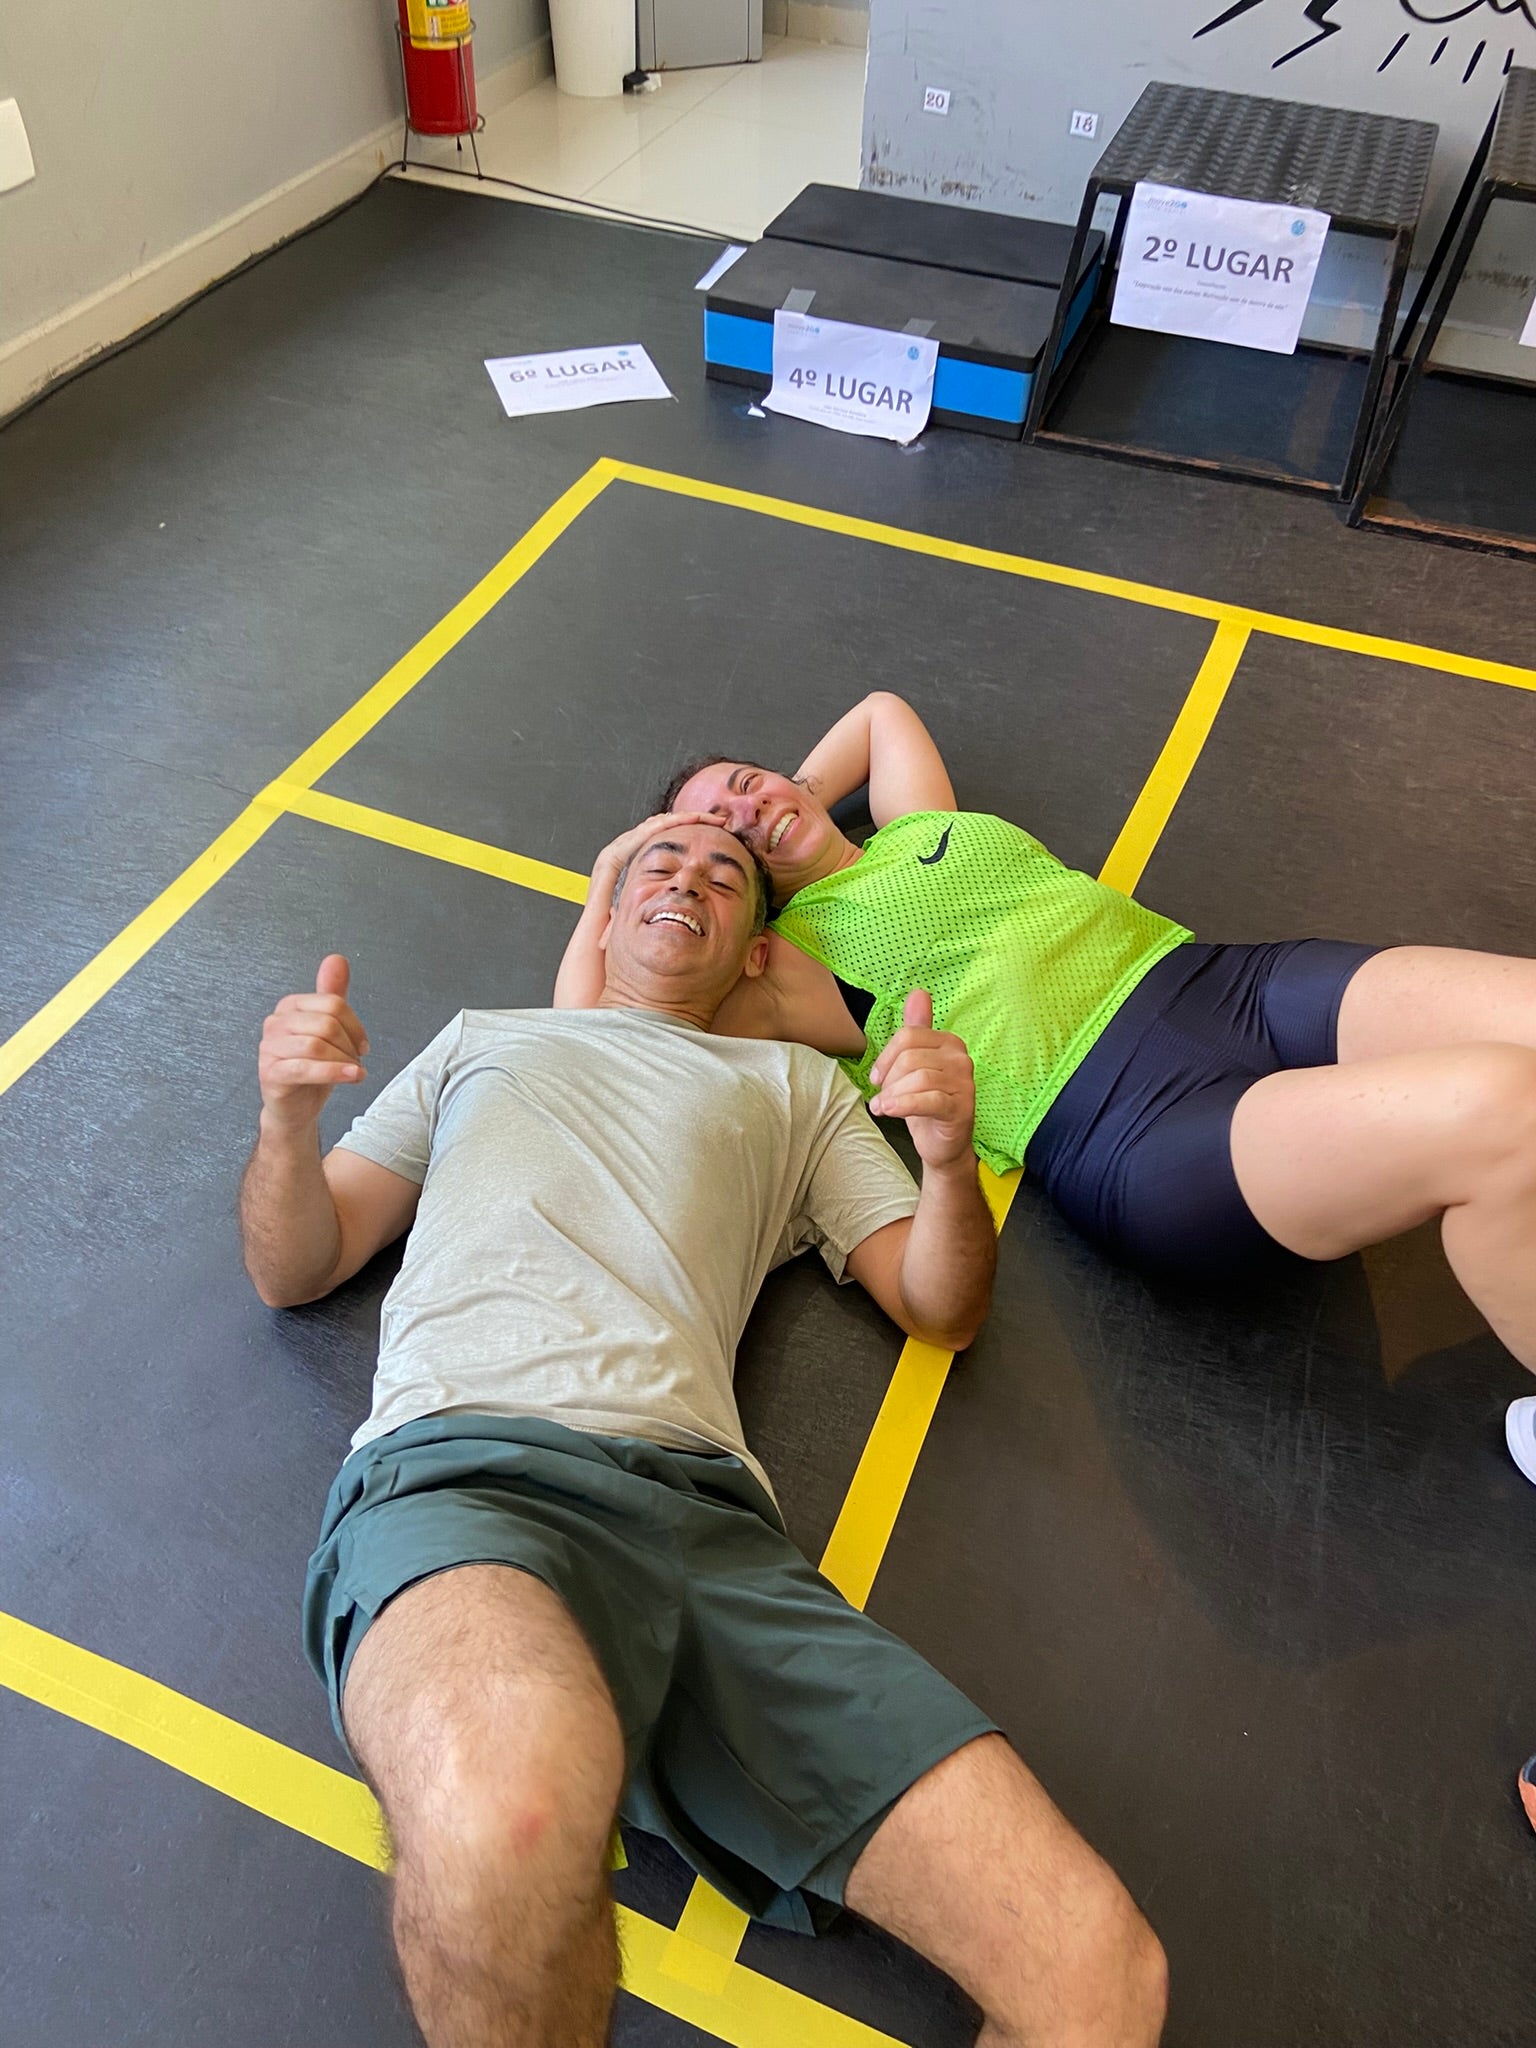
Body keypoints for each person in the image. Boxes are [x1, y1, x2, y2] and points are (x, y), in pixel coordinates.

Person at [242, 818, 1167, 2048]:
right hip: (467, 1476)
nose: (687, 880)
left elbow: (939, 1305)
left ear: (754, 951)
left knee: (1099, 1970)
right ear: (610, 913)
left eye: (724, 878)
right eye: (659, 866)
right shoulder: (482, 1041)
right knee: (507, 1816)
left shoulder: (797, 1089)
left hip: (711, 1537)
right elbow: (296, 1265)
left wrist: (948, 1161)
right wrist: (287, 1122)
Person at [554, 693, 1536, 1484]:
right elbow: (598, 1024)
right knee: (1505, 1114)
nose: (746, 810)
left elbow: (881, 712)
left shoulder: (918, 823)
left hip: (1228, 984)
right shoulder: (785, 964)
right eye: (717, 831)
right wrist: (617, 870)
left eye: (744, 784)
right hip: (1140, 1124)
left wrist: (782, 800)